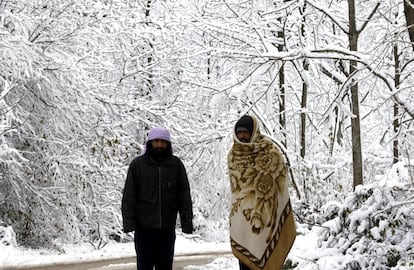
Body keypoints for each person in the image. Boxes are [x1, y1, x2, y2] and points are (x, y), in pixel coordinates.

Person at [227, 115, 296, 270]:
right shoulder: (233, 156)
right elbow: (237, 190)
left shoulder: (270, 151)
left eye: (246, 132)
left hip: (266, 219)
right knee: (245, 264)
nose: (242, 136)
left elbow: (281, 182)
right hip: (242, 220)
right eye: (239, 132)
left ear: (253, 131)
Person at [121, 127, 193, 270]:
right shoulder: (138, 165)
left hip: (167, 229)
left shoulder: (176, 165)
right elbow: (129, 196)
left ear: (168, 144)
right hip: (144, 230)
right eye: (156, 142)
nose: (159, 145)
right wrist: (129, 222)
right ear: (150, 143)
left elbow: (184, 196)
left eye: (163, 142)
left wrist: (187, 223)